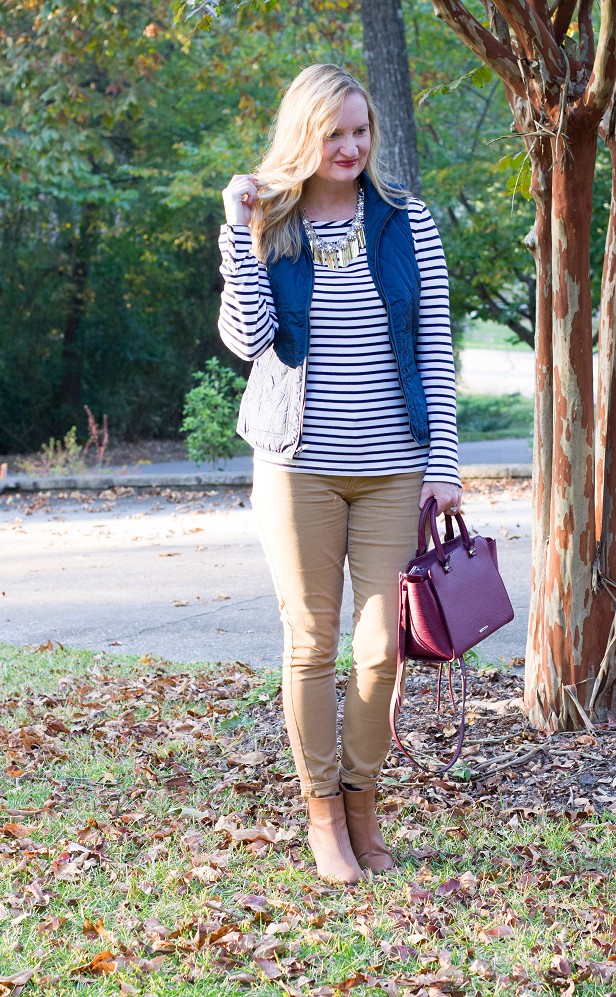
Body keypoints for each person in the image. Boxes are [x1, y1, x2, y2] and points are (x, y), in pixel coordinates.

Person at [218, 63, 461, 884]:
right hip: (298, 467)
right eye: (336, 133)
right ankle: (323, 812)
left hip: (392, 464)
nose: (352, 146)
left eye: (361, 131)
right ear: (305, 136)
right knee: (312, 641)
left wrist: (447, 465)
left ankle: (363, 802)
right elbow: (251, 338)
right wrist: (236, 230)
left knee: (382, 646)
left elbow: (436, 345)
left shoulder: (406, 220)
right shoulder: (270, 225)